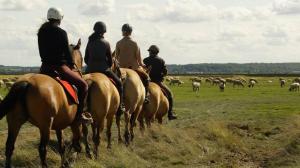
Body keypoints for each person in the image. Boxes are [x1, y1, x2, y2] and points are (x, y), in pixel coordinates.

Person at [38, 7, 93, 123]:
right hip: (59, 67)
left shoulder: (41, 31)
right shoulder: (61, 32)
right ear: (59, 18)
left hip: (44, 68)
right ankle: (79, 115)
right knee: (83, 85)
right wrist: (71, 64)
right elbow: (67, 53)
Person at [84, 21, 125, 114]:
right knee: (119, 83)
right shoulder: (106, 43)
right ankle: (120, 107)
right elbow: (111, 61)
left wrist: (91, 65)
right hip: (104, 70)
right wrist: (105, 65)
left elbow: (86, 58)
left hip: (89, 70)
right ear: (104, 31)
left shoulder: (89, 42)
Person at [115, 23, 150, 103]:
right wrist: (144, 66)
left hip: (121, 69)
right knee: (146, 78)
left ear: (123, 32)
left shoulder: (118, 43)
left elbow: (116, 58)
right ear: (131, 32)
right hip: (133, 68)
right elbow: (140, 61)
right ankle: (146, 96)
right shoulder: (135, 43)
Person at [143, 45, 177, 120]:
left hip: (146, 82)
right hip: (157, 82)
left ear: (150, 52)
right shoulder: (161, 60)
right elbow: (165, 72)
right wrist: (161, 75)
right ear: (157, 52)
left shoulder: (145, 60)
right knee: (170, 94)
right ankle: (170, 114)